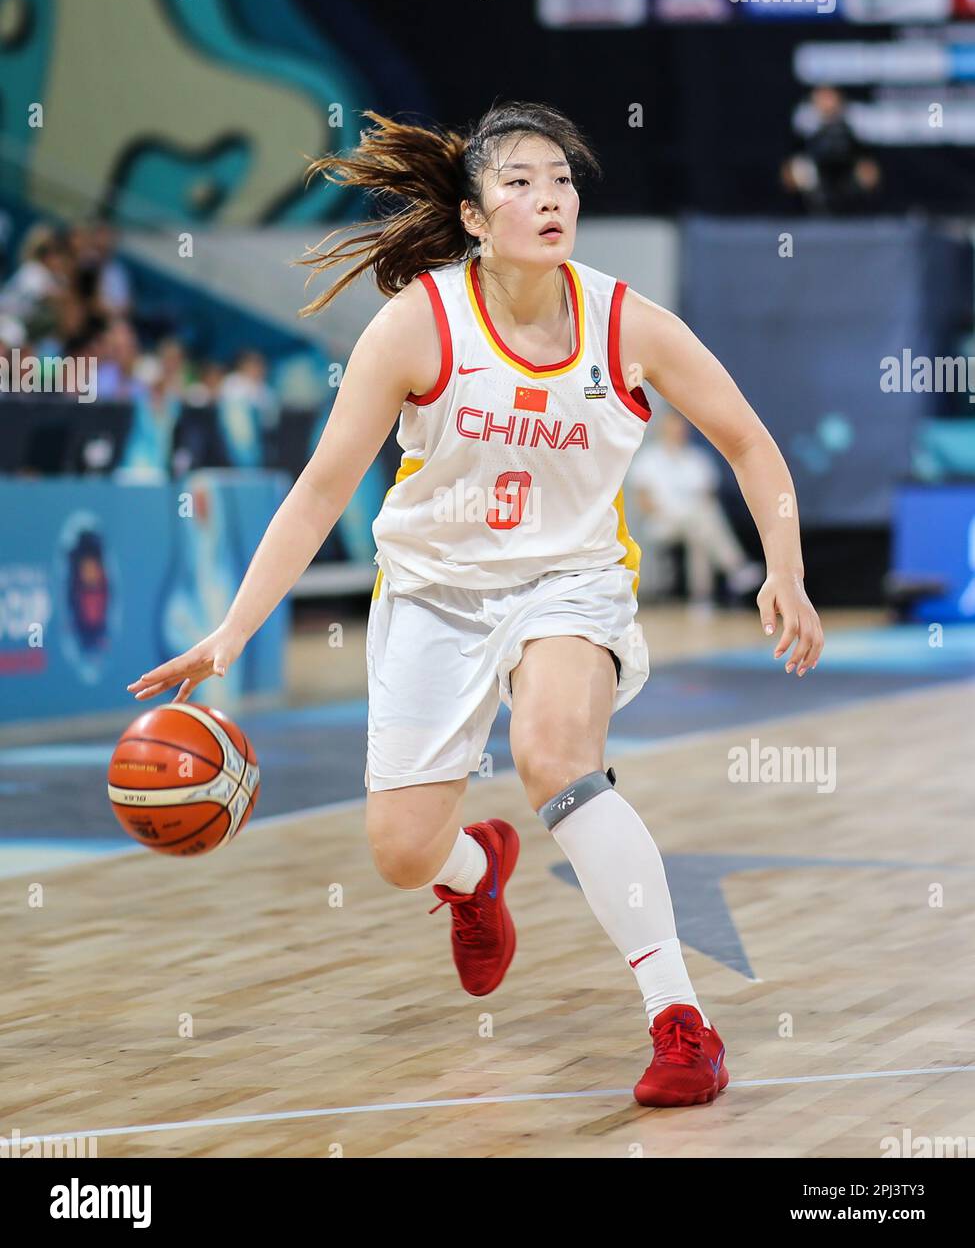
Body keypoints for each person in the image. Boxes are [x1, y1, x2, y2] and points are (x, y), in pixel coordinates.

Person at [127, 101, 825, 1110]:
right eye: (521, 182)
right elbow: (323, 487)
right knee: (400, 850)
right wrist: (234, 630)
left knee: (556, 758)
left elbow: (752, 442)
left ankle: (683, 1024)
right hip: (434, 592)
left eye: (564, 181)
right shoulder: (417, 325)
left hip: (570, 582)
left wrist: (786, 567)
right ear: (472, 215)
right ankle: (473, 869)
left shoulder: (624, 320)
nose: (550, 198)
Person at [629, 408, 764, 609]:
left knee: (699, 533)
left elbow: (708, 498)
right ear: (662, 428)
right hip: (662, 522)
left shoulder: (698, 460)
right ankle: (736, 567)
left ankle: (701, 599)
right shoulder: (648, 459)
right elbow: (643, 502)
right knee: (701, 521)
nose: (676, 431)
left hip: (695, 522)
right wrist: (673, 513)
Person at [781, 85, 881, 216]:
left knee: (867, 171)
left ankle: (858, 214)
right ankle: (804, 214)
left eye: (830, 96)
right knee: (797, 170)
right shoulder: (805, 120)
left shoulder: (853, 118)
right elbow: (794, 154)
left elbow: (866, 154)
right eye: (822, 97)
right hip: (817, 172)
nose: (826, 101)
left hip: (847, 169)